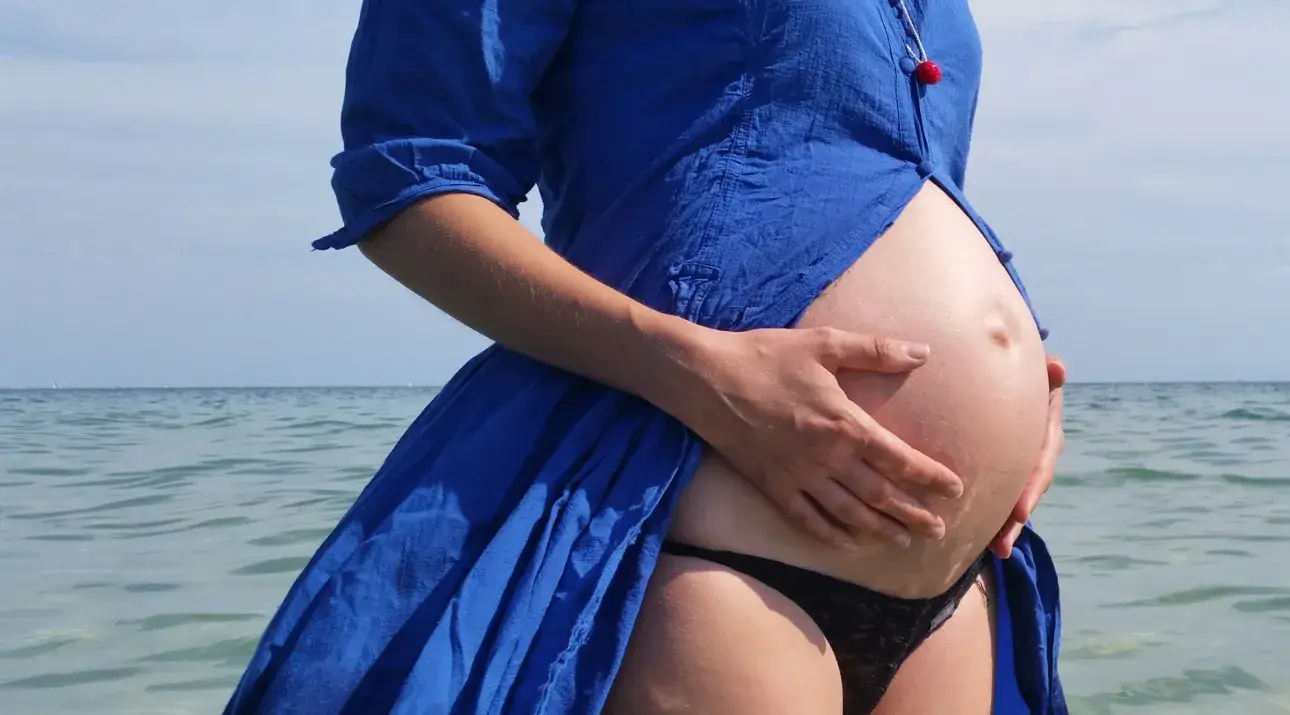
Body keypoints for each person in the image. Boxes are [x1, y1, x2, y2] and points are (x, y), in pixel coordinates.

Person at [222, 0, 1070, 714]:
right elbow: (409, 179)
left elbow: (892, 178)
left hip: (957, 578)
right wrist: (695, 370)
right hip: (693, 533)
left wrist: (1024, 370)